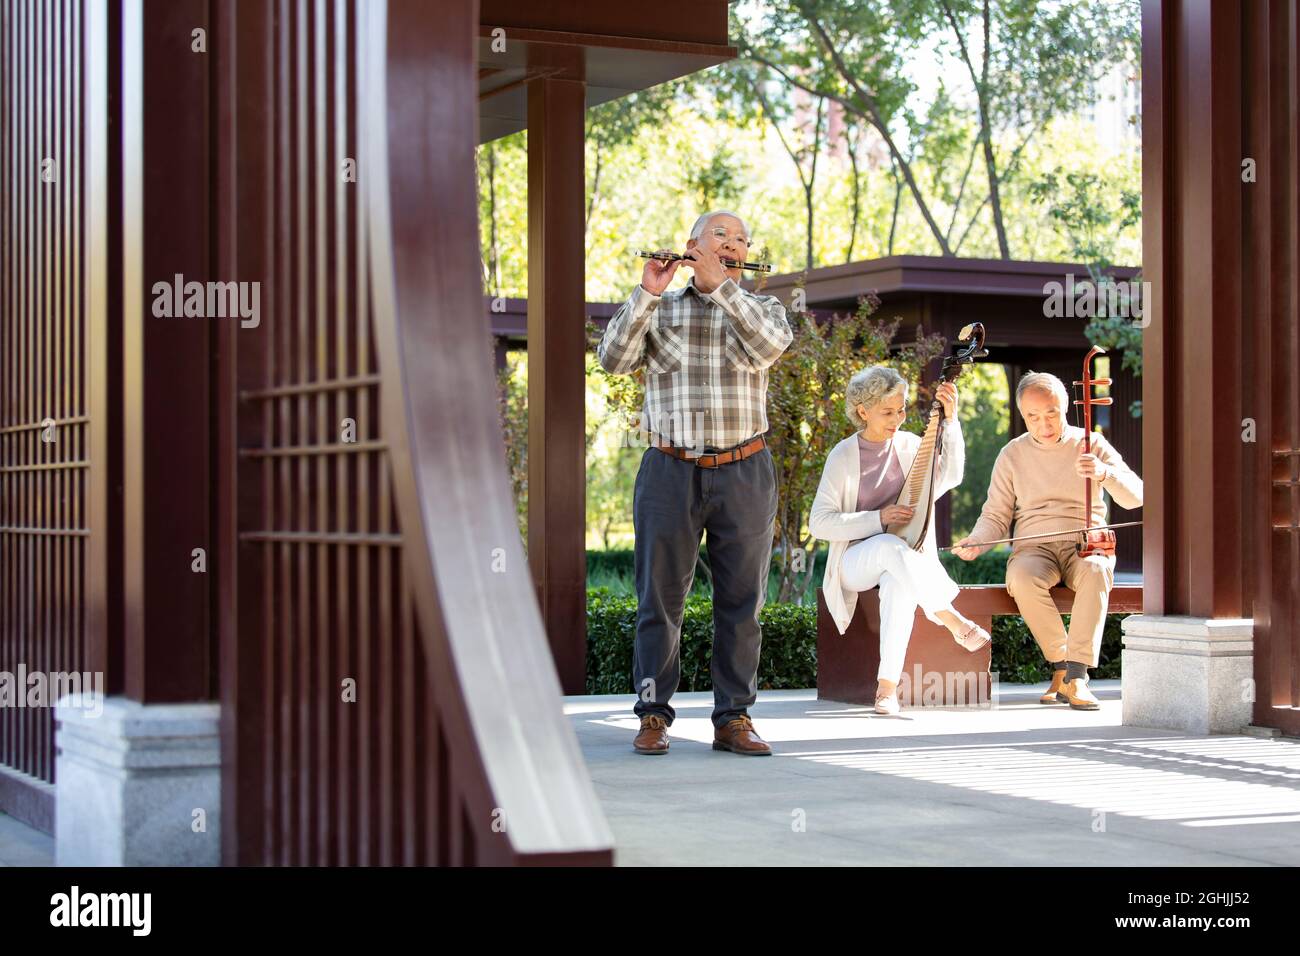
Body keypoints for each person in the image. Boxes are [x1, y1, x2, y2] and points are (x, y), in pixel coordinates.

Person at [597, 210, 793, 756]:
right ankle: (653, 715)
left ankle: (734, 718)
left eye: (740, 240)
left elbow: (771, 346)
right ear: (691, 247)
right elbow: (612, 360)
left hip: (745, 468)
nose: (732, 244)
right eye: (719, 236)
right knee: (658, 599)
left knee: (743, 600)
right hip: (669, 468)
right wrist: (645, 293)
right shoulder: (658, 310)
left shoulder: (765, 309)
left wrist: (724, 290)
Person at [951, 371, 1143, 710]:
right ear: (1023, 416)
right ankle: (1065, 668)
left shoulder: (1092, 443)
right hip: (1034, 547)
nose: (1044, 424)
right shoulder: (1012, 454)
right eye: (1033, 417)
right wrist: (978, 542)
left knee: (1097, 571)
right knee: (1021, 578)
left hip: (1085, 544)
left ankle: (1075, 676)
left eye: (1051, 413)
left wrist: (1104, 473)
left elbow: (1135, 497)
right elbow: (995, 515)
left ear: (1066, 406)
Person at [809, 366, 991, 715]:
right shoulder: (843, 455)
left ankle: (886, 689)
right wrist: (878, 518)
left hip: (902, 559)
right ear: (863, 412)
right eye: (888, 412)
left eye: (903, 409)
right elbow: (819, 523)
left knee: (898, 583)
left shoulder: (910, 446)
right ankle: (950, 618)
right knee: (890, 547)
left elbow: (950, 477)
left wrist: (950, 422)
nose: (899, 418)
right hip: (853, 563)